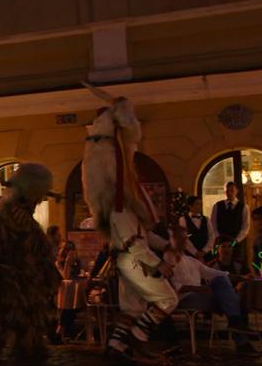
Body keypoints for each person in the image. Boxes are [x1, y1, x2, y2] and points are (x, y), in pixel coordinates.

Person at [80, 93, 177, 362]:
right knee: (168, 300)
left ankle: (116, 346)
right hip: (133, 262)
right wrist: (158, 264)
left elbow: (141, 236)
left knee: (132, 308)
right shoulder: (119, 209)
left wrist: (166, 245)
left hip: (129, 262)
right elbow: (133, 243)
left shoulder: (125, 208)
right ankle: (139, 337)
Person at [0, 163, 60, 360]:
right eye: (40, 196)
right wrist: (8, 277)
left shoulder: (29, 226)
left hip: (28, 291)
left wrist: (46, 276)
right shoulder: (3, 224)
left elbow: (41, 257)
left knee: (25, 337)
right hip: (12, 291)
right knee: (9, 329)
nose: (41, 200)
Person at [163, 229, 255, 353]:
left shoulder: (191, 260)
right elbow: (176, 288)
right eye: (180, 238)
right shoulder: (168, 259)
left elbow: (215, 273)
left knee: (224, 284)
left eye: (185, 238)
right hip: (186, 298)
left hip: (202, 297)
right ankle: (240, 334)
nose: (184, 241)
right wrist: (201, 289)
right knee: (230, 300)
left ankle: (237, 326)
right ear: (172, 239)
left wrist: (241, 277)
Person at [211, 182, 250, 264]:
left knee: (237, 265)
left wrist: (236, 241)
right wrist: (218, 237)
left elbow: (245, 227)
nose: (229, 193)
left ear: (237, 191)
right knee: (221, 263)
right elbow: (213, 224)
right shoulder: (217, 206)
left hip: (237, 243)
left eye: (232, 190)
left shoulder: (243, 207)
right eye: (227, 191)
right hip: (221, 242)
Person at [178, 195, 216, 260]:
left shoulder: (206, 219)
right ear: (190, 206)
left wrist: (204, 251)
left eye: (200, 204)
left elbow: (212, 236)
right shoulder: (183, 219)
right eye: (197, 204)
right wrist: (195, 252)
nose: (200, 206)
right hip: (190, 255)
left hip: (206, 255)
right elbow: (184, 238)